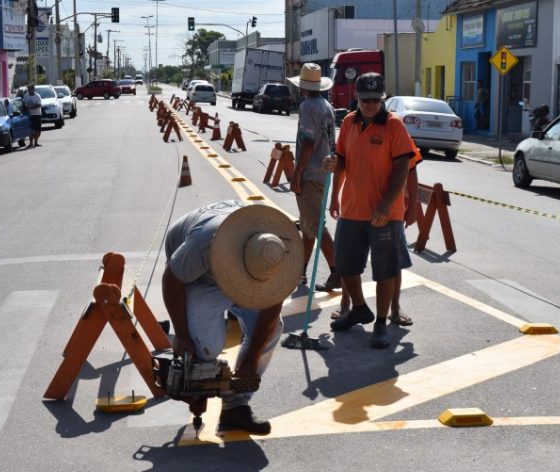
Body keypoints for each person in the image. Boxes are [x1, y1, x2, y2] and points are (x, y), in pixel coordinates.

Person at [162, 201, 303, 434]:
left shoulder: (276, 252)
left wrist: (252, 359)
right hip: (200, 277)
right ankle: (196, 386)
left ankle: (235, 405)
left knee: (272, 327)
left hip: (249, 274)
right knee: (205, 346)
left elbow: (271, 307)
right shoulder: (205, 244)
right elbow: (172, 281)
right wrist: (183, 335)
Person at [326, 72, 416, 349]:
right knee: (345, 265)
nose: (370, 104)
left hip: (384, 214)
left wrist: (386, 206)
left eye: (376, 100)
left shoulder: (394, 126)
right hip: (352, 207)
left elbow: (403, 167)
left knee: (385, 270)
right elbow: (343, 160)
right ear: (356, 97)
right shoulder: (349, 122)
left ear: (382, 99)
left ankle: (380, 323)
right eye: (366, 99)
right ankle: (359, 308)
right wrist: (334, 185)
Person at [287, 63, 340, 291]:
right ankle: (300, 272)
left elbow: (307, 142)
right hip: (323, 171)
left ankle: (338, 270)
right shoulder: (326, 105)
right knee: (309, 226)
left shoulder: (307, 106)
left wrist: (297, 174)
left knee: (317, 226)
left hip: (309, 173)